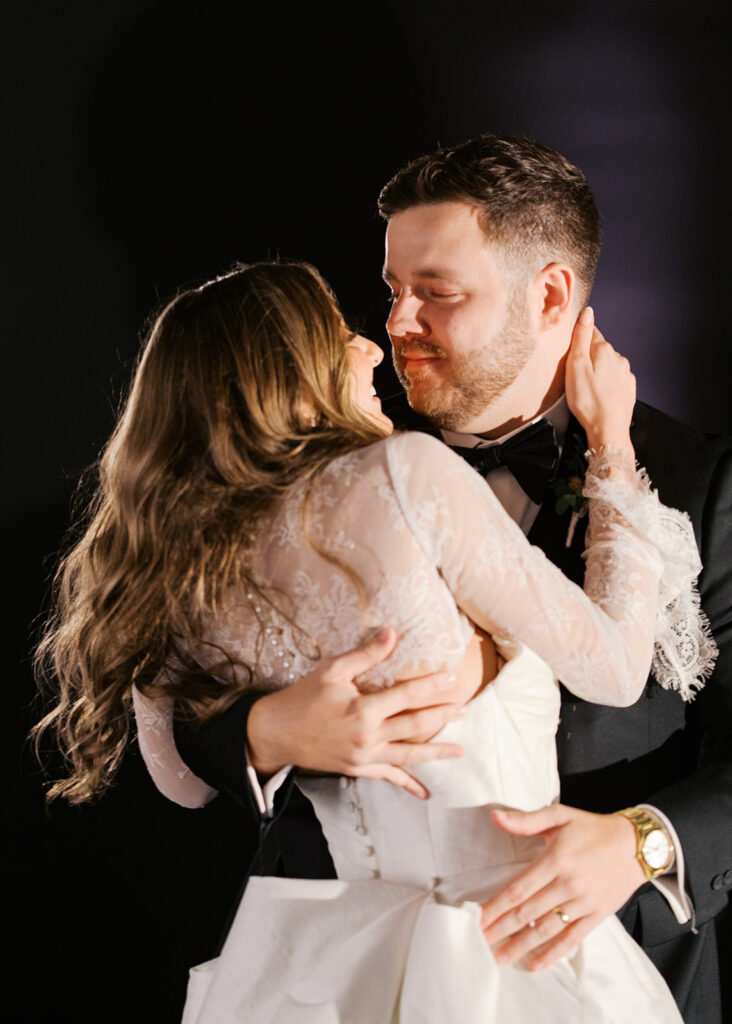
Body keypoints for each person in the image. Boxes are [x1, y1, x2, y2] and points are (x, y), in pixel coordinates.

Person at [34, 253, 707, 1020]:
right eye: (339, 334)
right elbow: (618, 672)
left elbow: (178, 780)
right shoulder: (402, 473)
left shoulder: (175, 559)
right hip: (513, 962)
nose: (373, 348)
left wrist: (263, 730)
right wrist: (613, 448)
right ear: (286, 373)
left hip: (326, 971)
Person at [170, 137, 732, 1024]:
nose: (395, 323)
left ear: (550, 296)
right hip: (336, 977)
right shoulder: (334, 466)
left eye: (436, 293)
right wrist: (266, 731)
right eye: (393, 291)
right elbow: (179, 695)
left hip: (607, 971)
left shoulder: (704, 484)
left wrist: (644, 844)